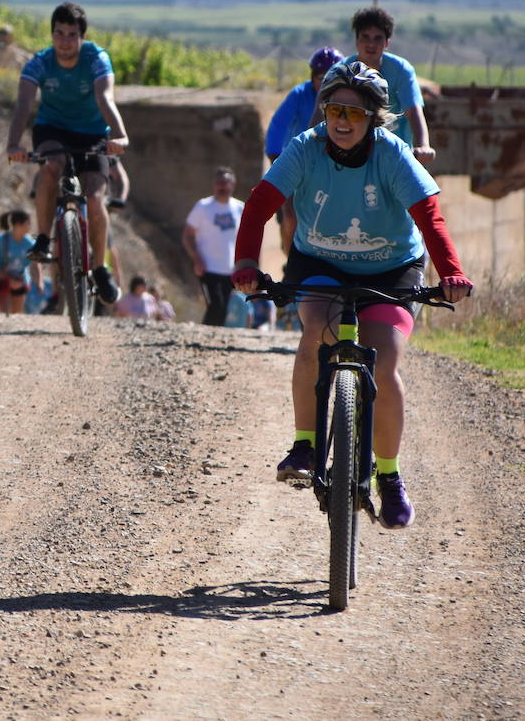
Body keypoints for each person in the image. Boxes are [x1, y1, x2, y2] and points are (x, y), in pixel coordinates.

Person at [230, 61, 473, 529]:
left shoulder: (393, 154)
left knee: (383, 362)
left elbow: (430, 218)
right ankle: (305, 444)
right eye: (334, 110)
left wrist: (451, 274)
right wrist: (245, 264)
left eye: (354, 114)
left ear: (374, 119)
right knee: (314, 337)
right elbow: (259, 205)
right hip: (319, 264)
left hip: (393, 268)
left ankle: (389, 477)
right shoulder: (306, 147)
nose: (342, 121)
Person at [6, 2, 129, 306]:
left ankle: (100, 269)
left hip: (92, 132)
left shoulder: (96, 58)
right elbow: (23, 105)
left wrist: (120, 134)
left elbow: (105, 98)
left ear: (82, 37)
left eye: (71, 35)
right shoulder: (39, 63)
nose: (64, 42)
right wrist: (13, 144)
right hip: (53, 128)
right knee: (51, 165)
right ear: (52, 35)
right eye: (58, 34)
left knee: (95, 198)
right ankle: (45, 238)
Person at [266, 46, 344, 251]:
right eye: (321, 76)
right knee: (291, 215)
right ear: (312, 76)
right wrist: (276, 162)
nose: (326, 82)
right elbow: (277, 126)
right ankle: (290, 259)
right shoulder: (299, 95)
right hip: (297, 164)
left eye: (332, 76)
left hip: (333, 167)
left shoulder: (347, 99)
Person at [346, 6, 436, 165]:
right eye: (365, 37)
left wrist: (423, 145)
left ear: (387, 42)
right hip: (351, 154)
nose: (371, 44)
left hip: (394, 156)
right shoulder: (342, 71)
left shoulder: (400, 70)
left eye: (377, 38)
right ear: (356, 40)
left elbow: (413, 111)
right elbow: (321, 112)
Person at [181, 167, 244, 327]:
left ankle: (213, 341)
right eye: (219, 183)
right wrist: (196, 258)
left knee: (223, 308)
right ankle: (204, 336)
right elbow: (188, 235)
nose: (222, 186)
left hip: (230, 269)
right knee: (215, 305)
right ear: (213, 185)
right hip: (207, 268)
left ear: (233, 184)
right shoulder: (203, 207)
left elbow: (245, 239)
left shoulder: (240, 208)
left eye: (226, 182)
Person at [0, 209, 41, 315]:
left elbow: (36, 263)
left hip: (20, 281)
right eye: (28, 223)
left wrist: (39, 282)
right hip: (2, 281)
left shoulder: (30, 243)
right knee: (3, 312)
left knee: (16, 313)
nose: (30, 226)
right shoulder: (1, 240)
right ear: (19, 224)